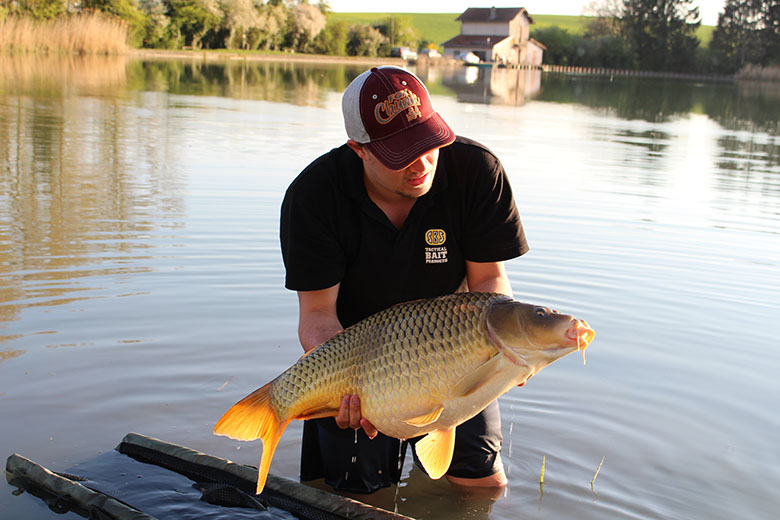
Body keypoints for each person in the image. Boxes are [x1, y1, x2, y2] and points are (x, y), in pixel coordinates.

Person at [280, 66, 528, 494]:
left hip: (458, 349)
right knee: (351, 498)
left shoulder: (478, 172)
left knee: (484, 487)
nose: (421, 163)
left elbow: (490, 281)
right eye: (400, 152)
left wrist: (507, 346)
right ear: (359, 149)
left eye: (429, 142)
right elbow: (318, 315)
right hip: (360, 363)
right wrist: (345, 389)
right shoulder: (313, 196)